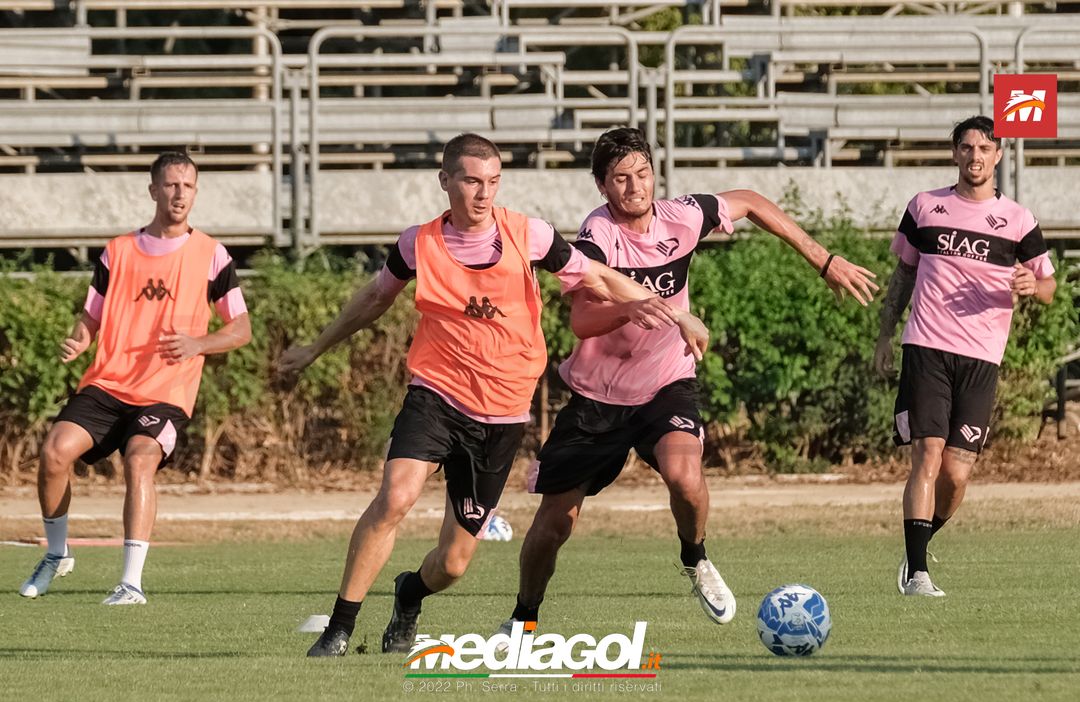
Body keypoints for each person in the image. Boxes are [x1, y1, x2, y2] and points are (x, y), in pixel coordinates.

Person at [277, 133, 709, 658]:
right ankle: (339, 629)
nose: (484, 194)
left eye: (493, 182)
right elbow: (374, 298)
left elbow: (598, 274)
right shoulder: (419, 243)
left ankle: (409, 593)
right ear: (446, 181)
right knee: (396, 495)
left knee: (454, 564)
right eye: (472, 181)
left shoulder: (530, 235)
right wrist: (315, 348)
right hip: (435, 393)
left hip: (502, 412)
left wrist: (675, 312)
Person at [499, 127, 879, 634]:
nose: (634, 186)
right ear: (601, 186)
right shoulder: (598, 237)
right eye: (620, 178)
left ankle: (695, 558)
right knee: (554, 525)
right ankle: (524, 618)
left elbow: (750, 201)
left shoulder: (682, 216)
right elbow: (581, 322)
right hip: (598, 398)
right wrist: (638, 306)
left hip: (666, 382)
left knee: (686, 477)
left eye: (642, 173)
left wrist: (823, 259)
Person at [18, 151, 252, 605]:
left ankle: (130, 583)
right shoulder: (118, 250)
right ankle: (56, 554)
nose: (180, 192)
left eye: (188, 185)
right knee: (53, 453)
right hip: (107, 384)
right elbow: (91, 315)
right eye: (171, 184)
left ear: (196, 192)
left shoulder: (211, 255)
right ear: (153, 190)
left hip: (165, 392)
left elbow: (240, 329)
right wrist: (79, 340)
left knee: (140, 459)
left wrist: (198, 343)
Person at [874, 115, 1056, 597]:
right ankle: (918, 575)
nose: (975, 156)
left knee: (955, 476)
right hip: (926, 347)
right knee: (926, 457)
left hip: (982, 359)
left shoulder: (1019, 219)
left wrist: (1032, 285)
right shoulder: (925, 207)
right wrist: (885, 336)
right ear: (955, 152)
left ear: (998, 156)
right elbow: (902, 277)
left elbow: (1050, 286)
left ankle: (919, 543)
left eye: (984, 148)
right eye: (967, 147)